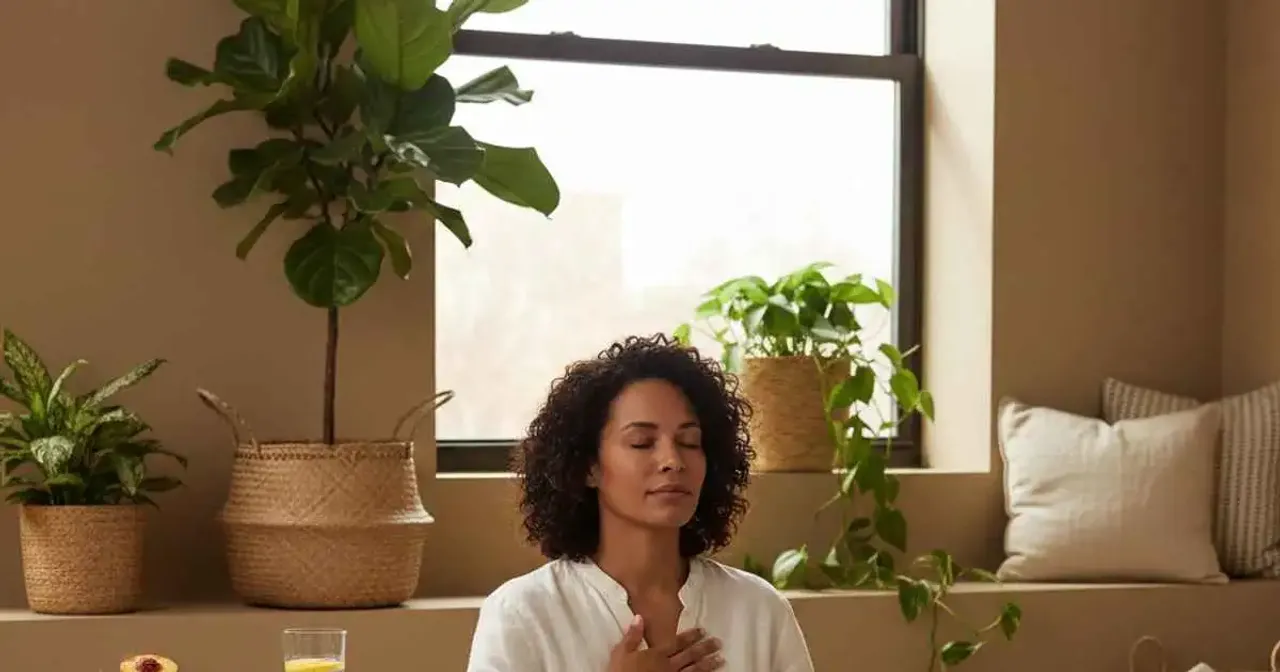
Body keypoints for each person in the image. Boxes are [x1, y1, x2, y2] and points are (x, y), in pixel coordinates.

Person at [465, 334, 816, 672]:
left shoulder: (759, 610)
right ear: (588, 466)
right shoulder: (522, 613)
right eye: (642, 442)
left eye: (690, 442)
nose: (672, 460)